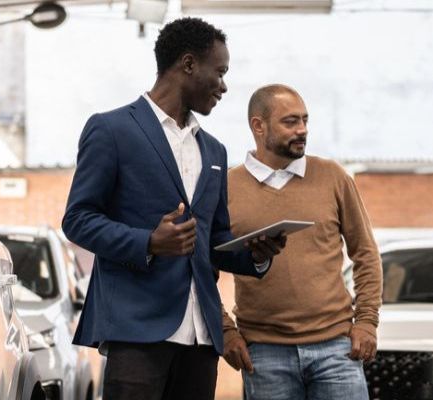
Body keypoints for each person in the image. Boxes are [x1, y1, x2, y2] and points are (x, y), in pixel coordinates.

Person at [62, 17, 286, 400]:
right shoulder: (111, 129)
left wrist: (255, 255)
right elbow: (78, 220)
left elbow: (213, 238)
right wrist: (149, 242)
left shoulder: (214, 150)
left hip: (202, 336)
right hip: (137, 330)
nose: (224, 86)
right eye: (219, 72)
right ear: (187, 64)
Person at [223, 84, 382, 400]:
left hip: (337, 349)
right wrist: (225, 331)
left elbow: (365, 252)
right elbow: (201, 268)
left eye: (305, 121)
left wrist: (366, 321)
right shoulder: (225, 187)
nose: (302, 130)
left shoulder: (333, 176)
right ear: (258, 125)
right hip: (265, 355)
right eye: (291, 122)